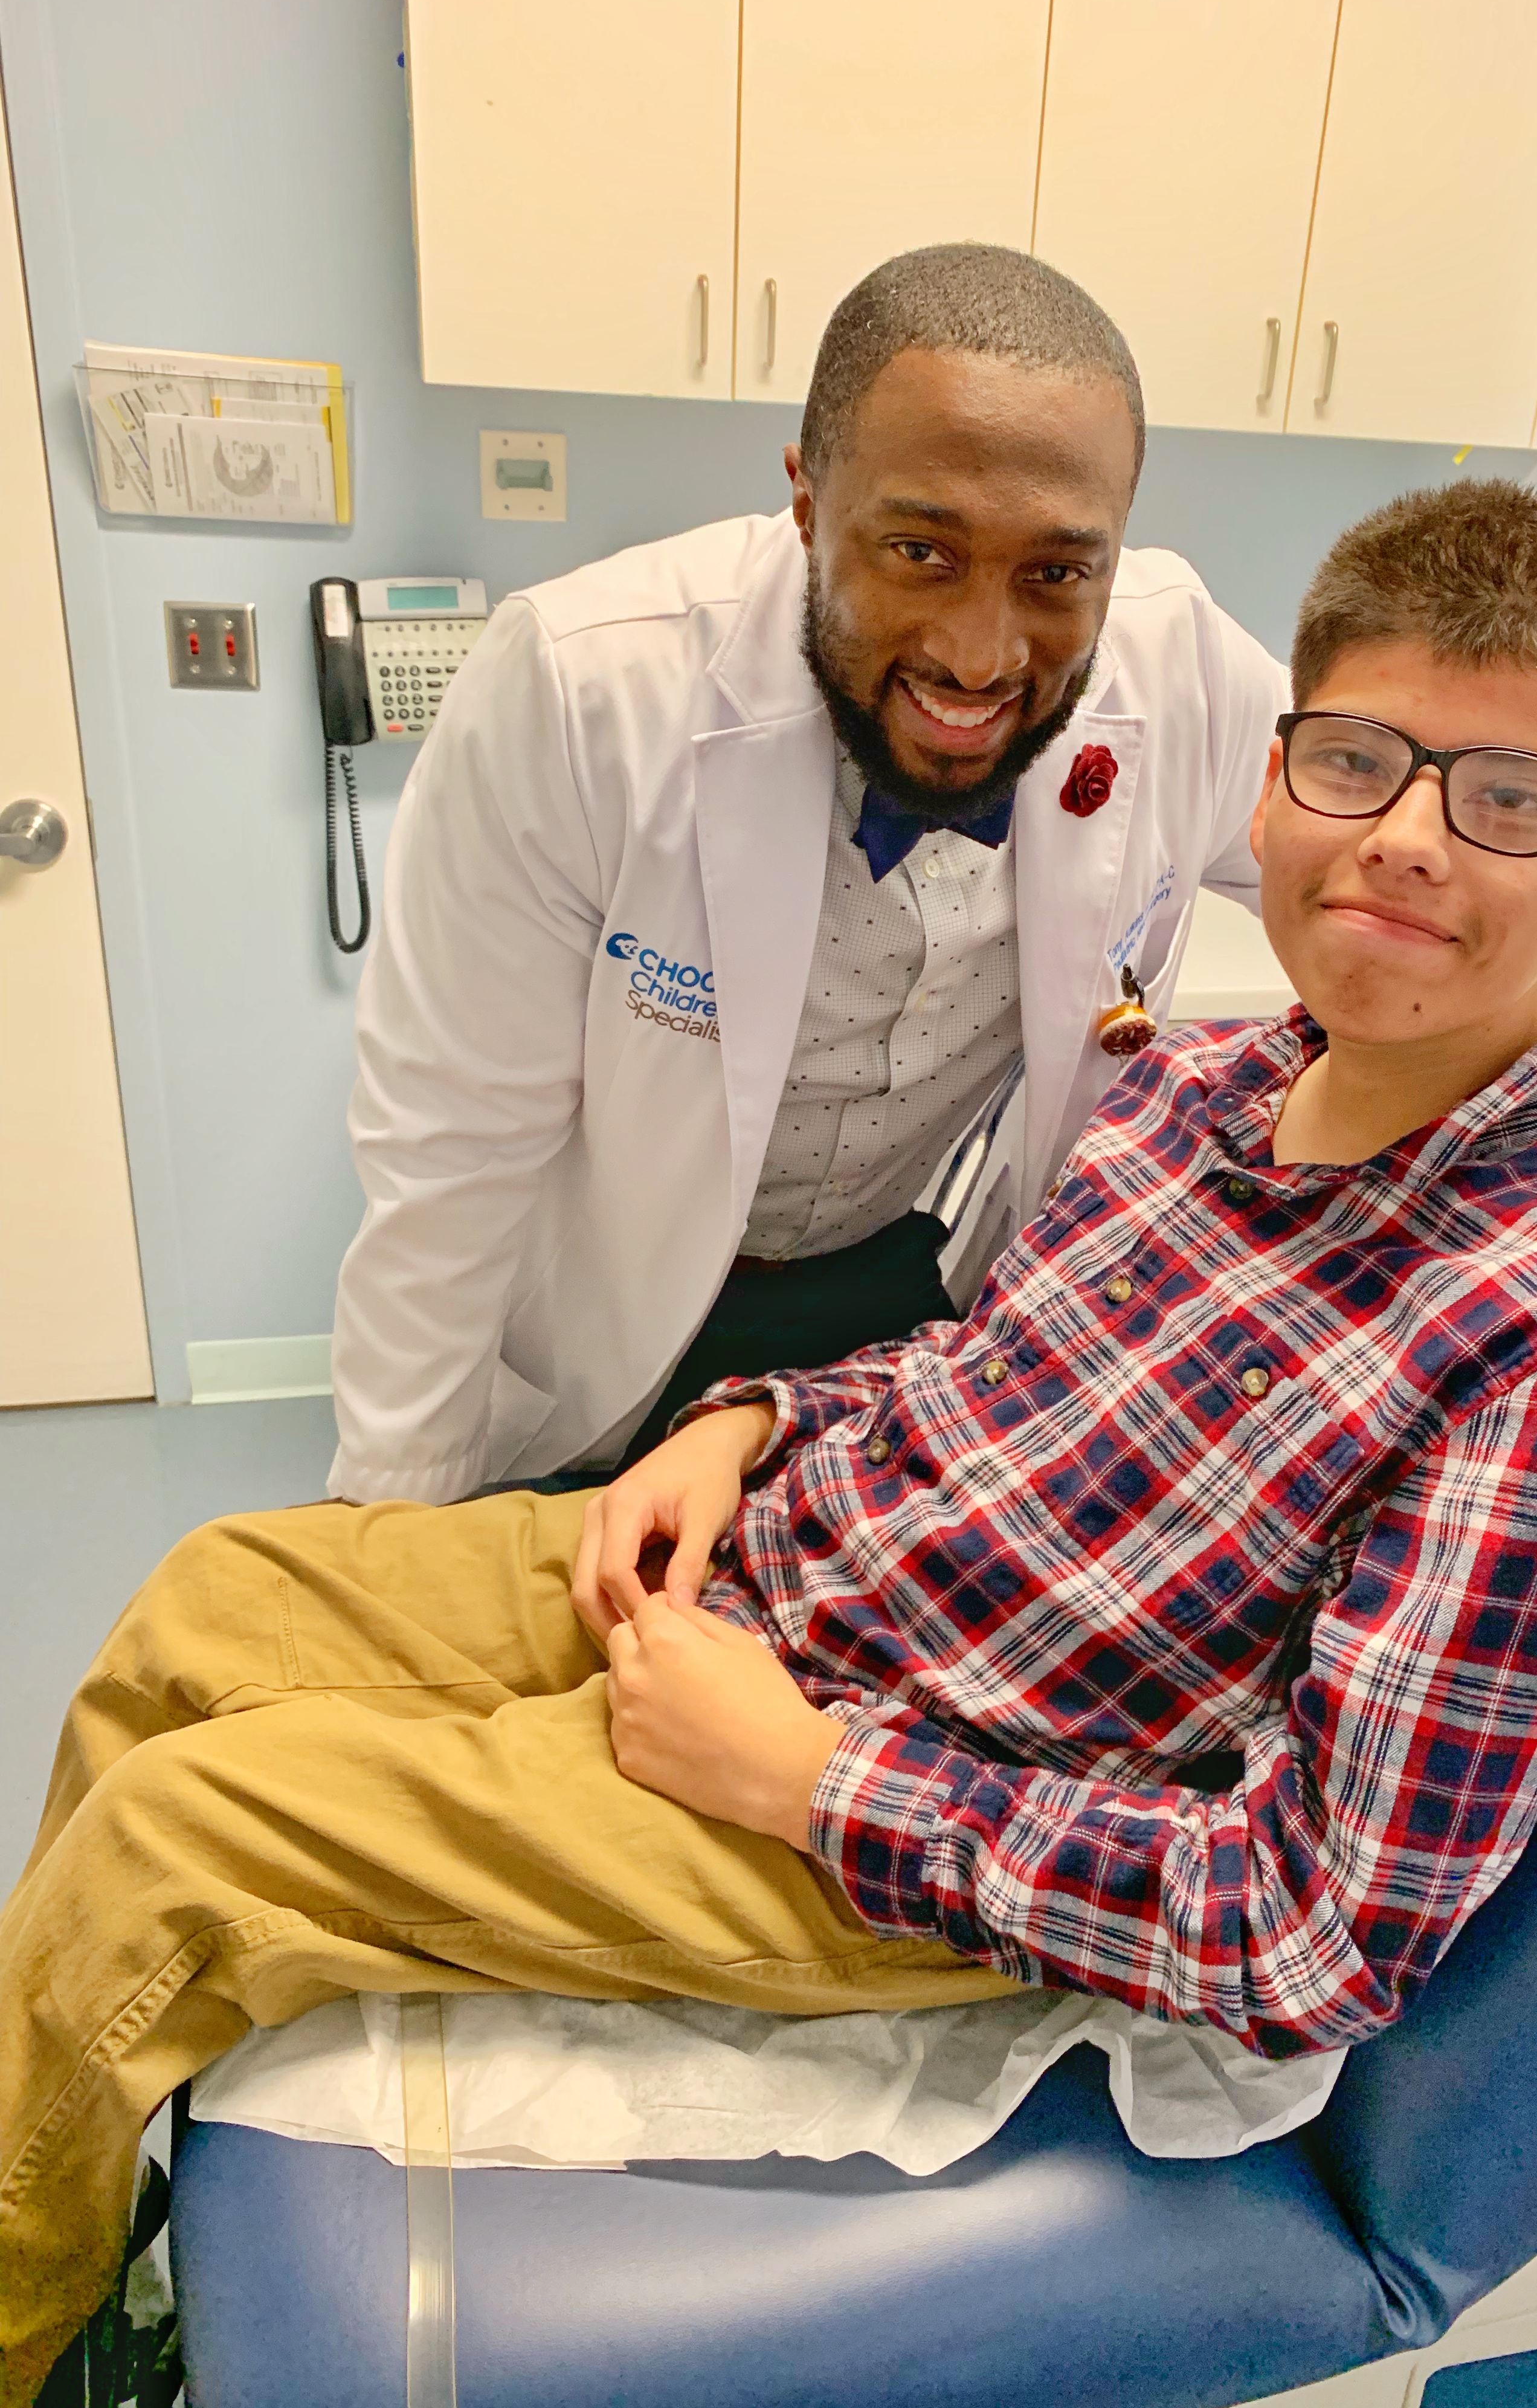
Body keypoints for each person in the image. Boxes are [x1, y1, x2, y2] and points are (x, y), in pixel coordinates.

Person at [0, 480, 1537, 2408]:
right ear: (1270, 786)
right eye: (1356, 760)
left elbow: (1311, 1928)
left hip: (899, 1806)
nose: (1407, 839)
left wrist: (810, 1776)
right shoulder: (1205, 1086)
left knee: (173, 1853)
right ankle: (78, 2221)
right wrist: (750, 1426)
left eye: (1506, 796)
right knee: (205, 1599)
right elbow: (977, 1372)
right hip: (755, 1566)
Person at [329, 242, 1286, 1505]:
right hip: (611, 1320)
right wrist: (389, 1522)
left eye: (1057, 573)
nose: (983, 656)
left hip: (905, 1299)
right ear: (806, 502)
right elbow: (453, 1152)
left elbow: (1387, 876)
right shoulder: (585, 689)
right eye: (919, 553)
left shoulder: (1186, 675)